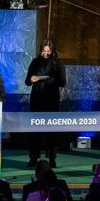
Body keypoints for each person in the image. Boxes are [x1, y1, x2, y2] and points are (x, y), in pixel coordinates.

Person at [24, 39, 66, 167]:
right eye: (44, 51)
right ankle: (33, 157)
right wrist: (31, 79)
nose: (46, 53)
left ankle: (52, 158)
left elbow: (62, 82)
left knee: (52, 131)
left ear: (53, 51)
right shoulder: (35, 62)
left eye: (48, 51)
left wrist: (49, 79)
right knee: (34, 131)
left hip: (51, 101)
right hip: (36, 101)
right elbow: (27, 81)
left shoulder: (58, 63)